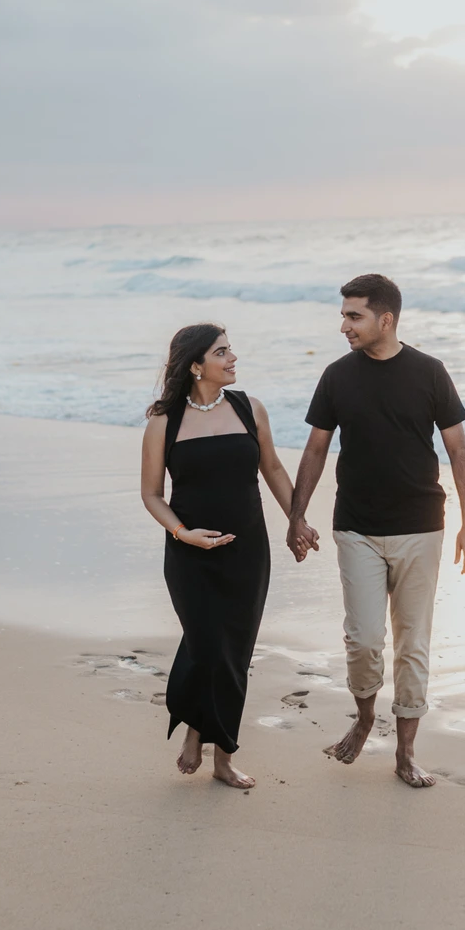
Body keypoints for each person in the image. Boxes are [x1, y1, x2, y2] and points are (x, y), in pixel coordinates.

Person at [286, 273, 465, 788]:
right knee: (365, 639)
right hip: (357, 527)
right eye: (344, 315)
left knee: (413, 642)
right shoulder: (336, 376)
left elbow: (458, 451)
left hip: (421, 526)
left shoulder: (429, 372)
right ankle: (366, 714)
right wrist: (296, 516)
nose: (344, 326)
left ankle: (406, 751)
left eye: (354, 316)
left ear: (385, 319)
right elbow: (315, 449)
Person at [141, 323, 309, 790]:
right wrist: (182, 533)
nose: (233, 358)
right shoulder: (164, 422)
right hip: (189, 554)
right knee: (205, 643)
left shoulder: (248, 408)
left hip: (247, 551)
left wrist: (297, 519)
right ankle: (196, 726)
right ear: (197, 366)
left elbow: (272, 467)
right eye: (222, 352)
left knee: (233, 652)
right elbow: (151, 494)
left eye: (231, 350)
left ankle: (221, 755)